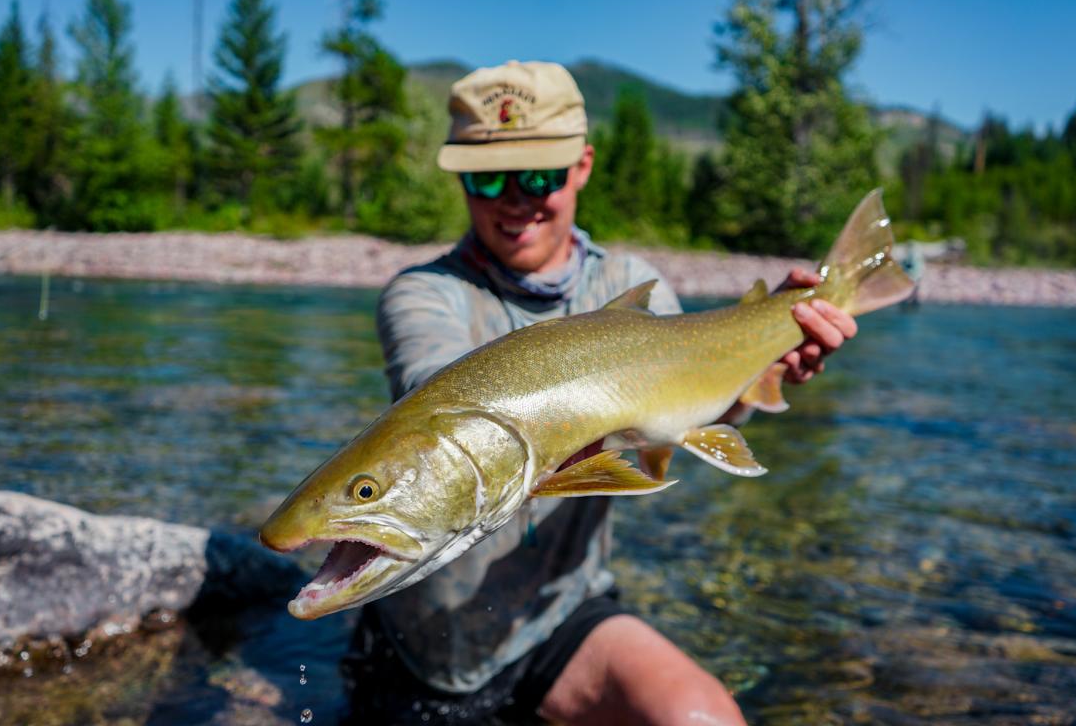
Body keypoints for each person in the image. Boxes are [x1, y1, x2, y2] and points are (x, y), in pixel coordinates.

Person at [341, 61, 858, 726]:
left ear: (581, 166)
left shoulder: (631, 284)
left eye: (538, 176)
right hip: (425, 644)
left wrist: (769, 356)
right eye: (487, 177)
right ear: (462, 179)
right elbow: (434, 402)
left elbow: (692, 412)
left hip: (563, 617)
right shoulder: (422, 293)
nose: (514, 198)